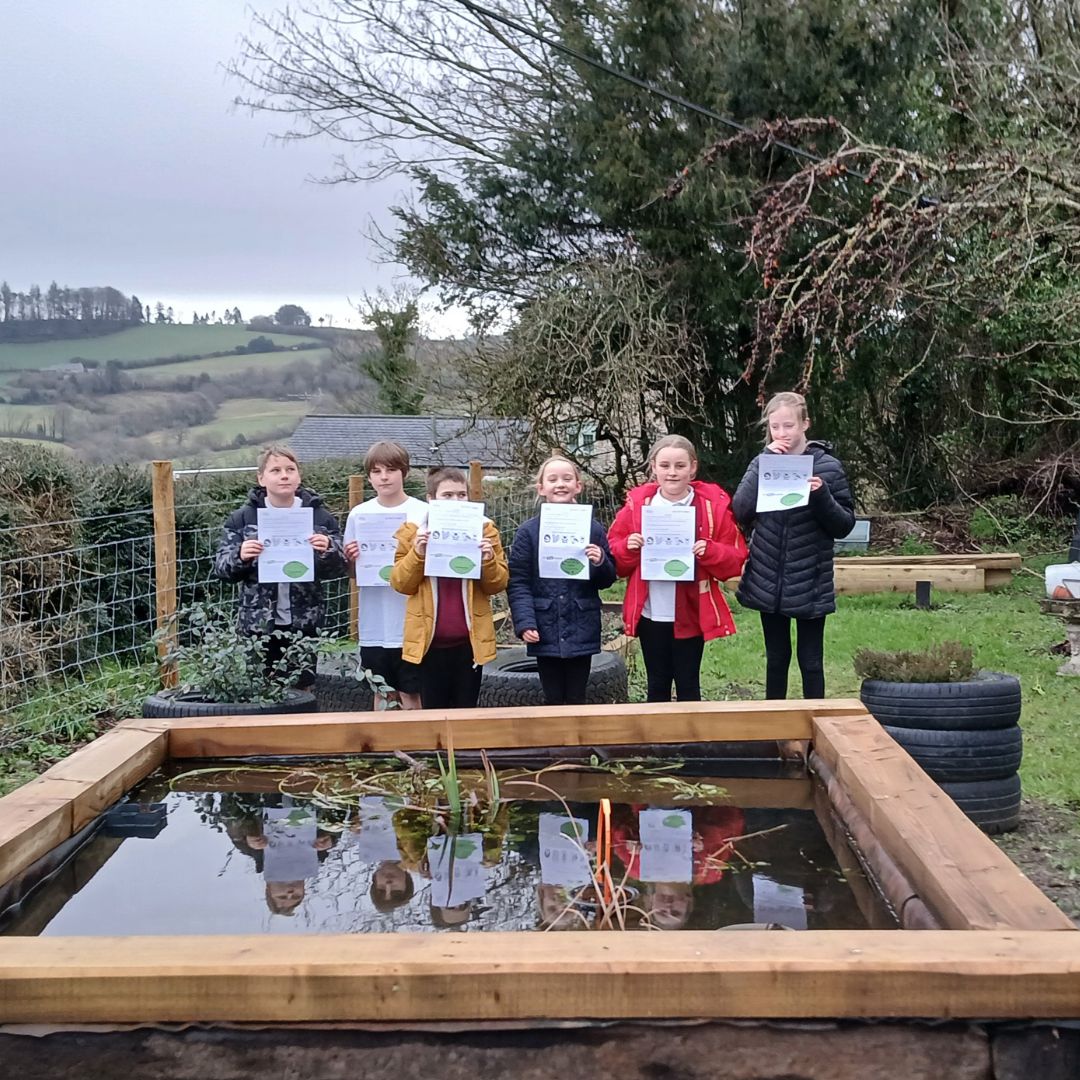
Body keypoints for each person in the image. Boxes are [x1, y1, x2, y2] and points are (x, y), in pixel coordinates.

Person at [731, 392, 855, 699]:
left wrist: (821, 495)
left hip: (810, 578)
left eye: (789, 425)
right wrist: (764, 464)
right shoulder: (762, 462)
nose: (782, 434)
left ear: (805, 425)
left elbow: (844, 525)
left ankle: (815, 724)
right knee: (776, 659)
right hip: (767, 577)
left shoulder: (828, 467)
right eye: (776, 427)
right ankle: (775, 727)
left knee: (811, 662)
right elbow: (740, 511)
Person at [607, 435, 747, 702]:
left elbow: (736, 557)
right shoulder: (638, 505)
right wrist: (629, 546)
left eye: (680, 466)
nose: (672, 472)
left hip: (690, 612)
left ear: (692, 468)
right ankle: (657, 743)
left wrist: (710, 551)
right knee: (656, 684)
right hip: (650, 613)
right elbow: (613, 554)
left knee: (688, 684)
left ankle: (688, 742)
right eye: (665, 465)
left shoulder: (710, 506)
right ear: (654, 468)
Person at [214, 445, 347, 687]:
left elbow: (340, 568)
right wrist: (240, 556)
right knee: (259, 693)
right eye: (275, 470)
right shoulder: (242, 519)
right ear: (261, 478)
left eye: (290, 469)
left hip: (304, 624)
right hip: (257, 626)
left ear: (299, 476)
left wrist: (327, 549)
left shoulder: (320, 518)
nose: (284, 475)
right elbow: (222, 568)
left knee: (302, 691)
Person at [390, 466, 509, 709]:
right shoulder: (412, 532)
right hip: (428, 644)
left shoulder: (486, 530)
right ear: (431, 499)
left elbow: (498, 584)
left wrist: (488, 559)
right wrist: (418, 553)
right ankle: (439, 750)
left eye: (461, 494)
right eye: (447, 495)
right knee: (434, 714)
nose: (456, 500)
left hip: (469, 643)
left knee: (466, 712)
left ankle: (465, 749)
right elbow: (400, 583)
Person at [507, 455, 617, 705]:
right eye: (553, 479)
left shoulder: (594, 529)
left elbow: (608, 579)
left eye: (567, 479)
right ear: (541, 488)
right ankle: (556, 743)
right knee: (553, 697)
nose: (560, 484)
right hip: (544, 628)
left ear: (578, 486)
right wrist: (525, 623)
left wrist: (600, 561)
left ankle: (577, 744)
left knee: (578, 696)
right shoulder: (528, 532)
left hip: (582, 625)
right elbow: (519, 582)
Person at [343, 441, 428, 709]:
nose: (384, 477)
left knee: (412, 693)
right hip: (374, 624)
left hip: (411, 622)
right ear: (369, 476)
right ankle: (385, 750)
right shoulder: (359, 514)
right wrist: (351, 558)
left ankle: (420, 748)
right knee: (382, 693)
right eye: (376, 471)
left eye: (390, 469)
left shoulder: (423, 512)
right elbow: (353, 573)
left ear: (404, 471)